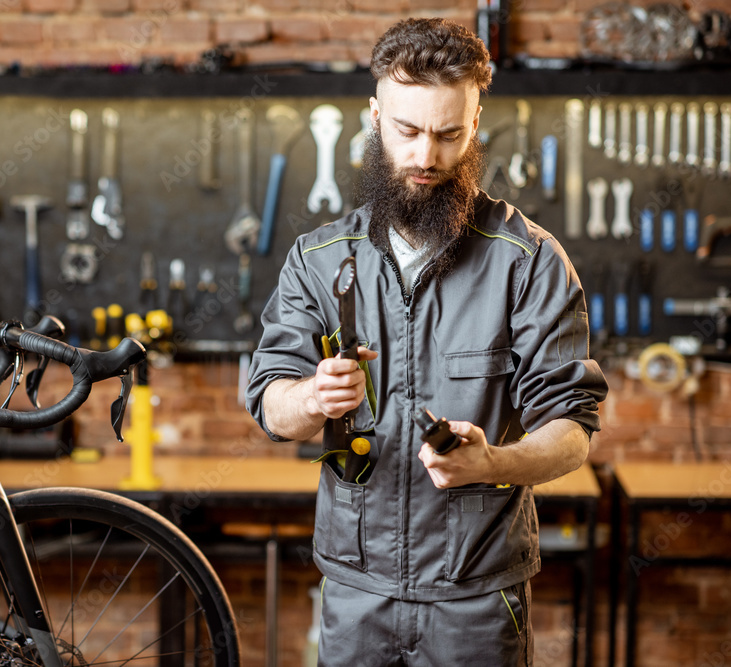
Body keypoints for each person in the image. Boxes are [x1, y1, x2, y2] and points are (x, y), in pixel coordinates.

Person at [245, 17, 609, 666]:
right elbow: (271, 406)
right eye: (408, 131)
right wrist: (312, 395)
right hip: (357, 593)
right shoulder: (320, 260)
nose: (425, 156)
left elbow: (573, 429)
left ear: (474, 125)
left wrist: (492, 463)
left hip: (476, 596)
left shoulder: (528, 262)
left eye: (448, 134)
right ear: (375, 116)